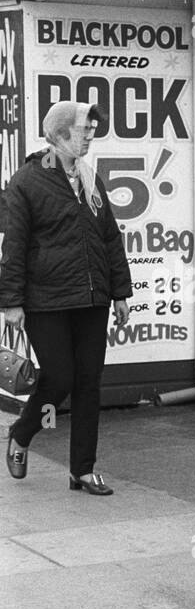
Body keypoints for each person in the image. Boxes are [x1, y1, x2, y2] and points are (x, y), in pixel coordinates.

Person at [2, 102, 132, 494]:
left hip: (94, 299)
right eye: (82, 129)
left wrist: (121, 292)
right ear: (58, 135)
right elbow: (15, 245)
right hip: (47, 300)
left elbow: (110, 238)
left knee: (89, 382)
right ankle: (23, 432)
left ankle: (83, 470)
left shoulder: (91, 178)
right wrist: (10, 301)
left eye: (93, 128)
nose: (90, 134)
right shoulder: (26, 181)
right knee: (58, 380)